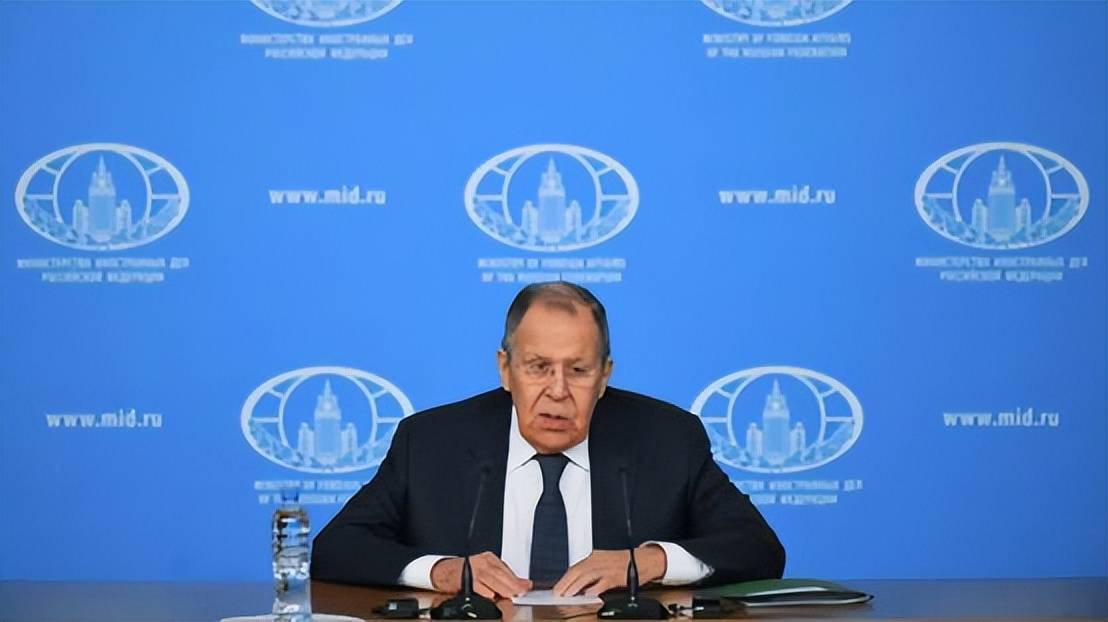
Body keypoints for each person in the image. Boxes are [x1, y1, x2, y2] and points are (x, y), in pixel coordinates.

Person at [311, 282, 784, 598]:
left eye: (578, 370)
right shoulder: (432, 442)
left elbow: (758, 548)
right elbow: (335, 548)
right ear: (505, 369)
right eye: (538, 368)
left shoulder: (667, 440)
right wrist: (442, 572)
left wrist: (649, 562)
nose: (557, 391)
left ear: (604, 376)